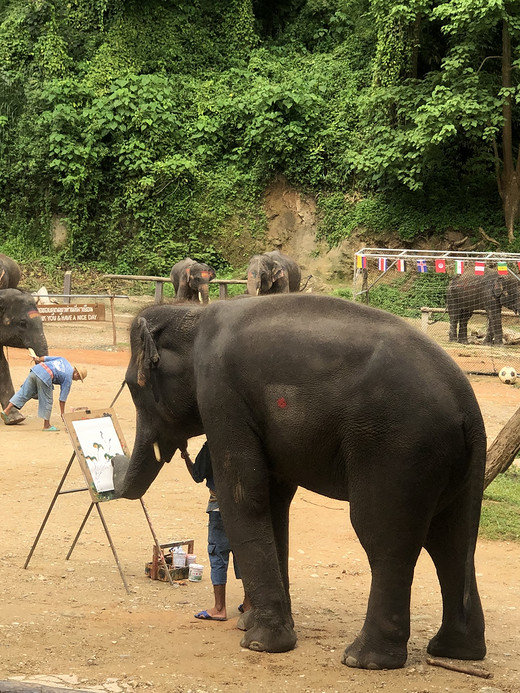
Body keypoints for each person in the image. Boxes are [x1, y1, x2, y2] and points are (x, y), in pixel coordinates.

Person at [184, 441, 250, 622]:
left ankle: (219, 608)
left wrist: (185, 454)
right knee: (244, 554)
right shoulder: (245, 439)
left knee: (218, 555)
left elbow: (197, 475)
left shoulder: (212, 443)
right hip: (244, 506)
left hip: (219, 507)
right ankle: (249, 604)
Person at [1, 354, 87, 431]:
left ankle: (6, 410)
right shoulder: (68, 379)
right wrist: (62, 413)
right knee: (47, 400)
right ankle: (47, 425)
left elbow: (44, 358)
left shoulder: (63, 360)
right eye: (78, 379)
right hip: (46, 376)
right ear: (77, 375)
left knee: (24, 392)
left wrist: (37, 359)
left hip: (36, 370)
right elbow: (62, 399)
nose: (76, 380)